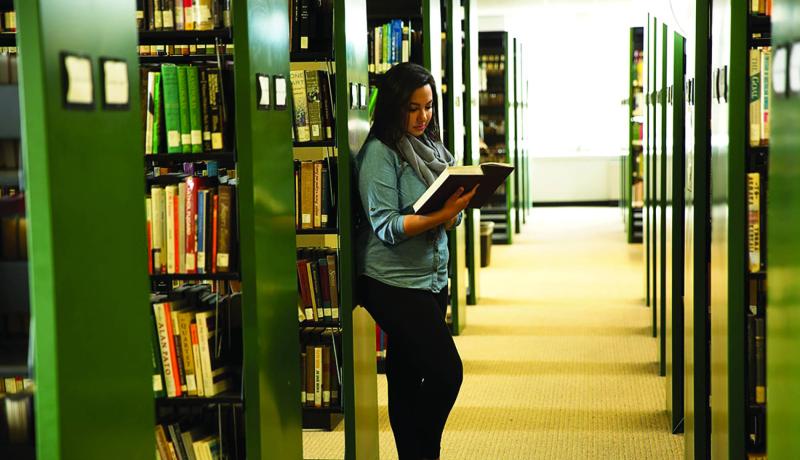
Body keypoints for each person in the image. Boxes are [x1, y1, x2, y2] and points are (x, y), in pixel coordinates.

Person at [355, 62, 478, 460]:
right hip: (391, 282)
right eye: (413, 108)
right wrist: (443, 215)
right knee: (447, 373)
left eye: (428, 107)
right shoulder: (380, 153)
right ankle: (425, 452)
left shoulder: (436, 150)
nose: (422, 117)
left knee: (406, 377)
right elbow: (386, 225)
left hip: (431, 277)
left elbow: (445, 219)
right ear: (394, 106)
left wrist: (456, 207)